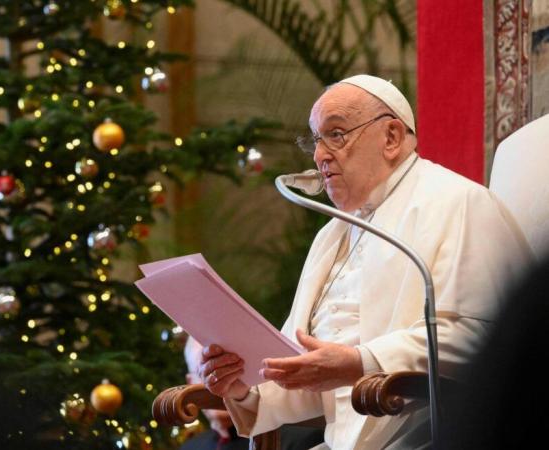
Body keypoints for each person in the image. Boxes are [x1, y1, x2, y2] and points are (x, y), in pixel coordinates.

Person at [197, 74, 532, 449]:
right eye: (315, 140)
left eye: (336, 135)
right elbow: (307, 373)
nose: (319, 155)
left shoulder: (460, 203)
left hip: (431, 434)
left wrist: (362, 362)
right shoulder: (333, 234)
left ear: (390, 137)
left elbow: (488, 337)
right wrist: (243, 389)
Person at [181, 337, 323, 450]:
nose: (218, 383)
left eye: (227, 369)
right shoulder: (190, 447)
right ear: (190, 382)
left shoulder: (299, 439)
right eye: (205, 373)